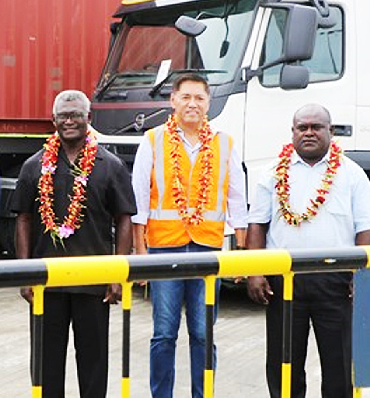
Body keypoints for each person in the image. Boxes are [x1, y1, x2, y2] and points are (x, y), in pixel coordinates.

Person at [11, 89, 136, 398]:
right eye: (63, 116)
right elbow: (24, 218)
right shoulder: (34, 166)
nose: (69, 121)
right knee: (46, 364)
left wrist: (118, 274)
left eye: (76, 115)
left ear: (88, 119)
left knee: (93, 362)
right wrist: (26, 273)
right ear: (53, 120)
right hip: (47, 282)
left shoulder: (110, 165)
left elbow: (124, 219)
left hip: (94, 283)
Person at [131, 73, 248, 398]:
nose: (192, 104)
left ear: (209, 103)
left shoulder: (224, 143)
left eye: (199, 98)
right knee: (164, 333)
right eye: (186, 97)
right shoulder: (153, 140)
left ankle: (203, 394)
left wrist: (240, 251)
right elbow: (139, 197)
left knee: (203, 331)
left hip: (207, 250)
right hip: (163, 250)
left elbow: (238, 200)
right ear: (173, 101)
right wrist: (140, 252)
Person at [247, 103, 370, 398]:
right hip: (285, 281)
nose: (309, 133)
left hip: (338, 281)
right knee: (283, 363)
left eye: (316, 127)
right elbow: (257, 224)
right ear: (293, 132)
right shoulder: (271, 173)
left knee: (340, 364)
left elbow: (365, 230)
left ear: (331, 131)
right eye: (302, 128)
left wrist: (363, 277)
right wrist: (255, 272)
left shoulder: (353, 175)